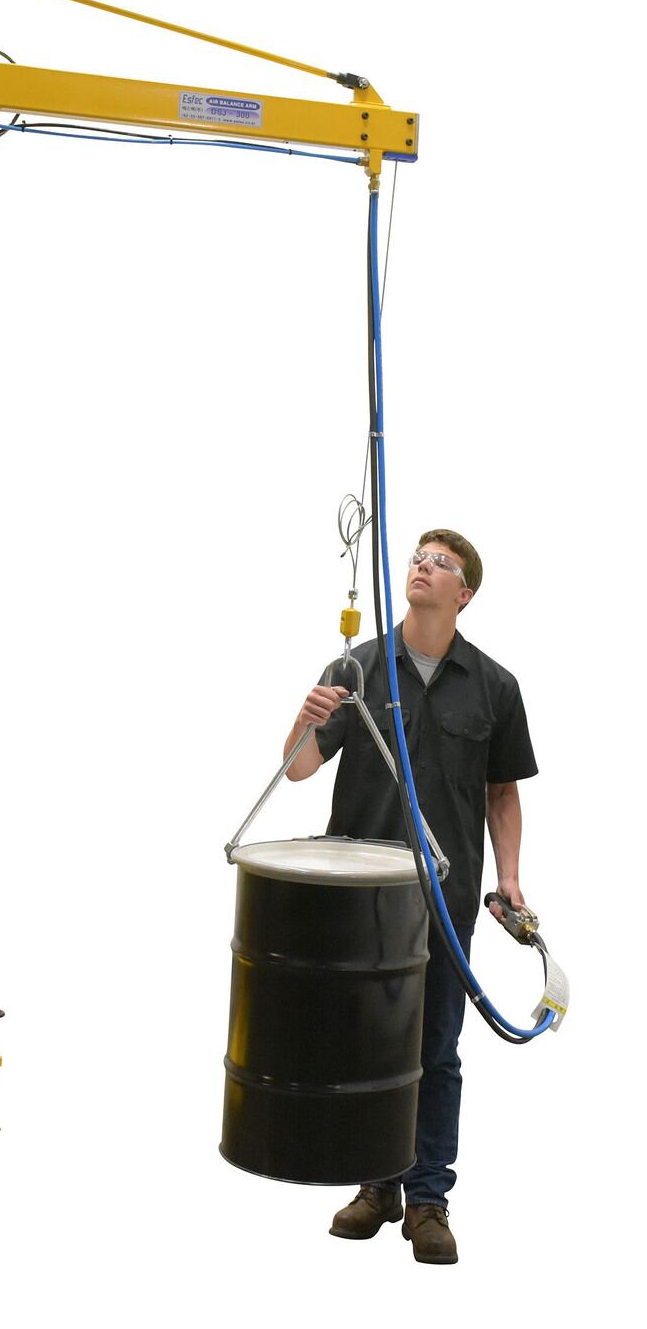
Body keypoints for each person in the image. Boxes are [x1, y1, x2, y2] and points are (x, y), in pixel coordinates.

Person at [282, 529, 537, 1266]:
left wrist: (510, 876)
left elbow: (502, 793)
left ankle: (427, 1198)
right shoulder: (358, 668)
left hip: (444, 900)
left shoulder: (494, 686)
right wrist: (304, 716)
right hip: (361, 898)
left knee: (436, 1049)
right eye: (418, 556)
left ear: (464, 593)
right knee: (367, 1043)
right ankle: (376, 1184)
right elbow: (296, 768)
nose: (422, 566)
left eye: (440, 562)